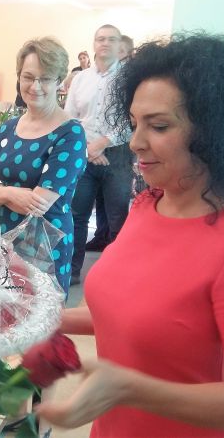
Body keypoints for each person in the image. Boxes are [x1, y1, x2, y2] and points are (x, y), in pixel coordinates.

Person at [30, 34, 224, 437]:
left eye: (158, 126)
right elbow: (127, 316)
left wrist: (128, 389)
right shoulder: (147, 206)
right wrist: (38, 317)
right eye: (135, 124)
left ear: (214, 130)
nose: (136, 142)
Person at [0, 37, 86, 293]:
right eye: (28, 77)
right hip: (1, 241)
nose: (35, 86)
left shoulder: (70, 133)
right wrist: (8, 193)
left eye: (45, 78)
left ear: (59, 81)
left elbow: (37, 205)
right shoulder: (7, 129)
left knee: (39, 314)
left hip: (45, 247)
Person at [65, 24, 134, 286]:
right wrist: (88, 149)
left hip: (117, 155)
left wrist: (103, 143)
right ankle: (72, 271)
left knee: (118, 218)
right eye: (100, 39)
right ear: (94, 44)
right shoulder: (80, 79)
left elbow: (132, 119)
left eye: (111, 39)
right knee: (77, 215)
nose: (105, 43)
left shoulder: (130, 79)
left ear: (119, 45)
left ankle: (118, 276)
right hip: (84, 155)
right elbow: (70, 118)